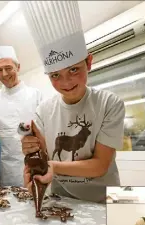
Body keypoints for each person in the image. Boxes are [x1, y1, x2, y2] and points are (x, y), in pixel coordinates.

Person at [20, 1, 125, 203]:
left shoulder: (109, 103)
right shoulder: (43, 110)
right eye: (55, 75)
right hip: (62, 199)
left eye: (74, 70)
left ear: (89, 62)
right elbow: (42, 156)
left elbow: (100, 165)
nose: (65, 83)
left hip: (103, 200)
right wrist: (32, 154)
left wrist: (53, 166)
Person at [0, 46, 43, 187]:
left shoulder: (35, 95)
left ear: (18, 67)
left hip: (30, 166)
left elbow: (44, 133)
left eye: (8, 68)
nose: (4, 74)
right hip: (2, 169)